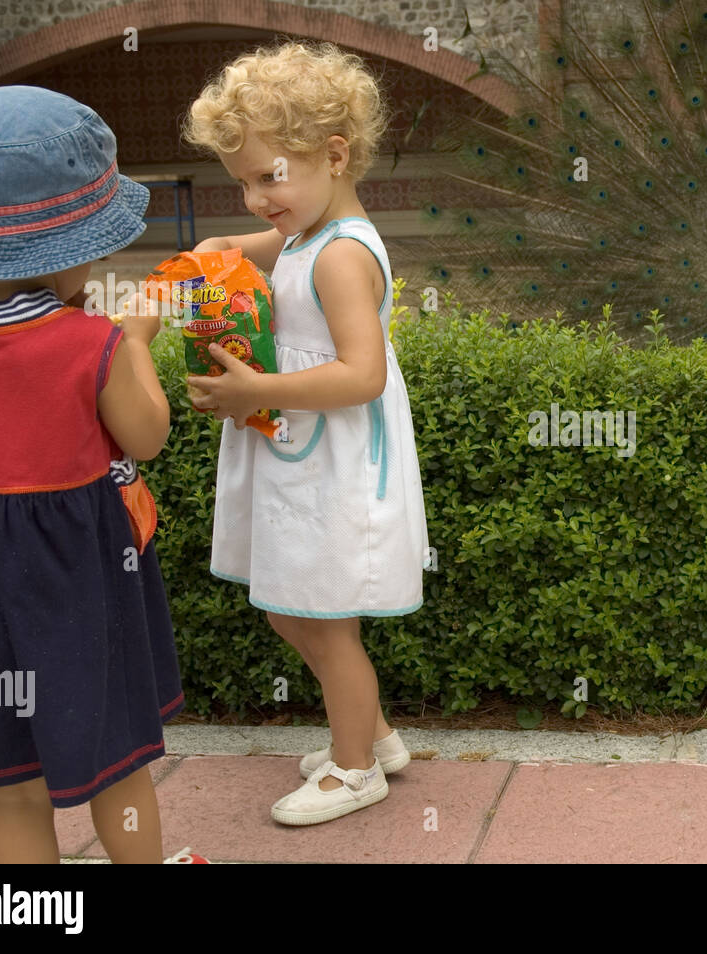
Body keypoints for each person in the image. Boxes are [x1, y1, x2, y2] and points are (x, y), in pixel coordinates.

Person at [183, 41, 431, 825]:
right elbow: (242, 252)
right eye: (242, 183)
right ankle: (377, 736)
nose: (256, 200)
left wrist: (257, 388)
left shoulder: (341, 259)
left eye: (268, 178)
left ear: (333, 154)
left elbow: (363, 375)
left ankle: (356, 771)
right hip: (301, 453)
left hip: (335, 461)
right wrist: (216, 254)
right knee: (293, 606)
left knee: (323, 618)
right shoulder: (303, 237)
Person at [0, 86, 181, 862]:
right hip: (79, 589)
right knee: (118, 765)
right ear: (67, 248)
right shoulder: (88, 344)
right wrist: (136, 338)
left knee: (11, 783)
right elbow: (148, 433)